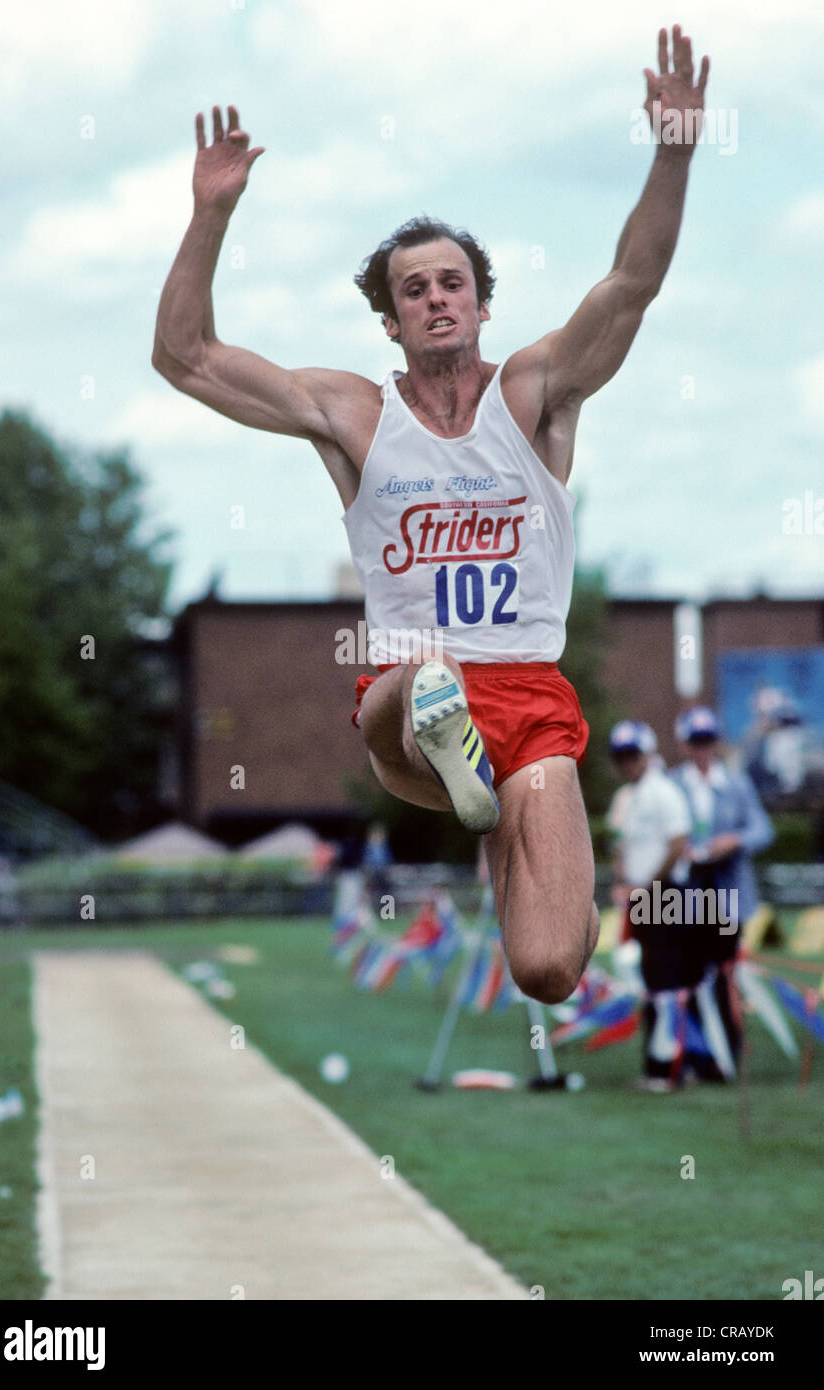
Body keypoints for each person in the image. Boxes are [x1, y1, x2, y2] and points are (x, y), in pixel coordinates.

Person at [152, 27, 709, 1003]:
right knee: (416, 682)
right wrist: (210, 214)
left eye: (452, 282)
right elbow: (185, 357)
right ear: (392, 321)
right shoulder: (354, 415)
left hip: (531, 694)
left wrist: (674, 151)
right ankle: (452, 758)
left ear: (482, 304)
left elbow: (632, 284)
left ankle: (490, 801)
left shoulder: (534, 396)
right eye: (414, 290)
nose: (436, 299)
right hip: (410, 695)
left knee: (546, 969)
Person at [671, 706, 774, 1077]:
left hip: (726, 895)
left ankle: (726, 1055)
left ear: (716, 743)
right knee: (690, 976)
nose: (703, 749)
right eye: (696, 742)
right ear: (684, 745)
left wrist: (734, 841)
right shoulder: (672, 784)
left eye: (708, 741)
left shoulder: (735, 783)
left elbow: (762, 830)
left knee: (726, 975)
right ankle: (695, 1055)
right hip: (685, 898)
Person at [606, 720, 695, 1092]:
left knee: (664, 981)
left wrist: (649, 885)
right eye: (621, 757)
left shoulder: (663, 792)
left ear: (648, 754)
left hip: (664, 895)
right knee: (653, 980)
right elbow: (624, 847)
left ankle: (667, 1069)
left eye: (632, 755)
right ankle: (662, 1064)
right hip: (645, 896)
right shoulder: (636, 794)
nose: (627, 763)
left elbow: (678, 844)